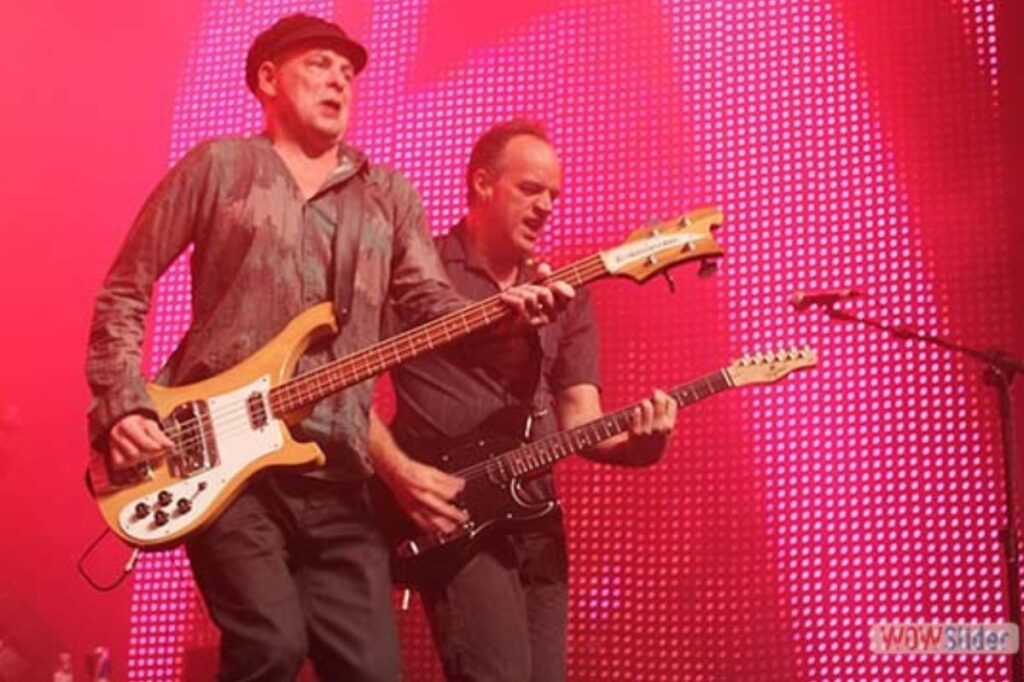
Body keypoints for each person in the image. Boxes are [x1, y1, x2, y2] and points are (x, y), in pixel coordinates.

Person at [84, 16, 572, 682]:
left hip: (338, 471)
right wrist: (124, 404)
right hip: (227, 465)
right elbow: (125, 289)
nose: (339, 81)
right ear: (267, 80)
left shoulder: (387, 196)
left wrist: (505, 318)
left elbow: (430, 305)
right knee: (270, 646)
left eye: (347, 72)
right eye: (319, 65)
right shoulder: (219, 166)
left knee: (373, 669)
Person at [370, 120, 679, 681]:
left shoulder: (566, 292)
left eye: (554, 196)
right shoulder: (417, 275)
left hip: (537, 520)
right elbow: (346, 394)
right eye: (530, 189)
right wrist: (398, 473)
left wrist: (640, 447)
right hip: (458, 516)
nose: (545, 207)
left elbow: (583, 422)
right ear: (482, 183)